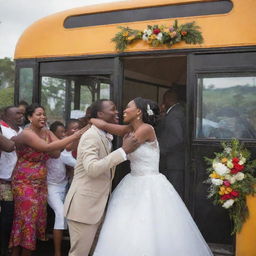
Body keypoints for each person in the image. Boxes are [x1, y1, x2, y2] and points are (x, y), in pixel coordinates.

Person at [90, 97, 213, 256]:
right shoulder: (131, 129)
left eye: (128, 107)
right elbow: (113, 128)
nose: (124, 110)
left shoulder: (146, 129)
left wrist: (94, 120)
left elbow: (112, 128)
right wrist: (93, 120)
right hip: (132, 182)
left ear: (139, 112)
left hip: (149, 184)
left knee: (148, 226)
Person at [64, 99, 140, 256]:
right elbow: (92, 169)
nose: (117, 111)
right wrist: (122, 151)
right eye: (113, 109)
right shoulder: (91, 136)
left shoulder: (103, 134)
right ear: (100, 114)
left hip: (96, 207)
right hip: (84, 209)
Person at [9, 103, 87, 256]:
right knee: (27, 220)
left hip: (40, 183)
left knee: (33, 220)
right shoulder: (27, 133)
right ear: (30, 117)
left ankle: (16, 251)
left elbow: (57, 152)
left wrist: (79, 134)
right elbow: (47, 148)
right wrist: (75, 135)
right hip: (24, 182)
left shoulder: (46, 132)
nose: (43, 117)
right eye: (38, 114)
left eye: (44, 114)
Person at [46, 121, 77, 256]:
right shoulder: (50, 148)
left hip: (64, 186)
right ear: (53, 134)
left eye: (65, 132)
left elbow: (73, 161)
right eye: (61, 132)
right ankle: (57, 253)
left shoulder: (65, 147)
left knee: (68, 215)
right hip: (51, 187)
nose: (64, 134)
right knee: (60, 212)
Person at [0, 106, 23, 256]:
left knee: (11, 217)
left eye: (22, 113)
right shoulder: (1, 128)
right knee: (6, 216)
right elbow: (9, 147)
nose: (21, 116)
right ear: (5, 115)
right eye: (17, 113)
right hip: (3, 181)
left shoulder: (21, 131)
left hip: (18, 182)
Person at [156, 88, 186, 198]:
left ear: (167, 100)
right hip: (178, 161)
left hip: (173, 162)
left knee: (173, 194)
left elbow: (176, 138)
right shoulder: (180, 111)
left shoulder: (173, 115)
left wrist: (160, 149)